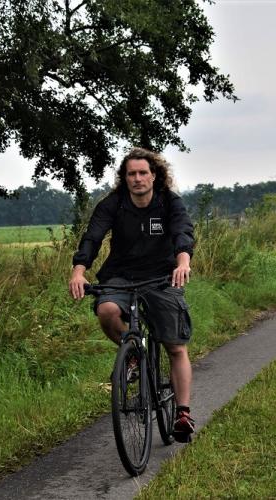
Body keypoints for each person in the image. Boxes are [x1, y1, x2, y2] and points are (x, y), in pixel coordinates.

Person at [68, 147, 196, 443]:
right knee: (107, 310)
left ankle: (183, 413)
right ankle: (134, 353)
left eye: (142, 173)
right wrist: (78, 270)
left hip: (162, 275)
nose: (137, 179)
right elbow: (93, 237)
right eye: (131, 174)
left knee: (175, 346)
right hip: (121, 274)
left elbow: (182, 232)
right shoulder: (113, 204)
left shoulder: (169, 203)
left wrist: (183, 262)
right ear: (124, 178)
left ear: (154, 176)